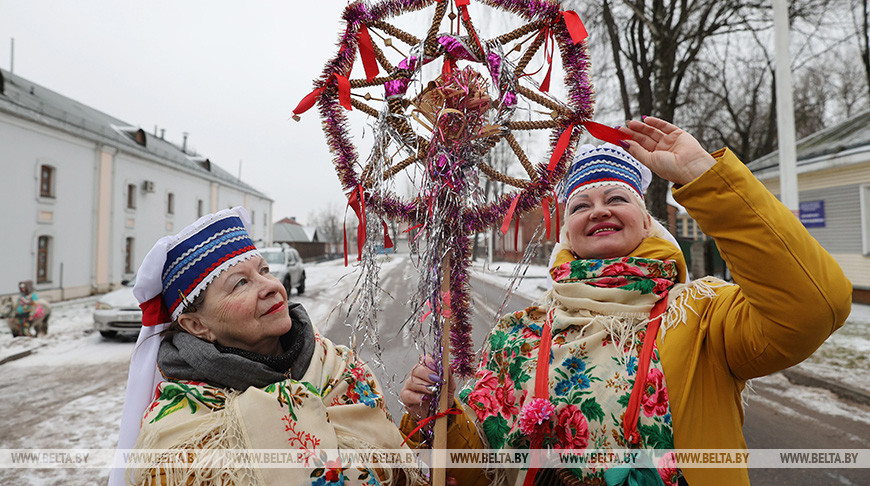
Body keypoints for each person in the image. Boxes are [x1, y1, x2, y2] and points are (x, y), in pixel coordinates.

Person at [399, 117, 852, 485]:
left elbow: (815, 306)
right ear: (567, 231)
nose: (598, 210)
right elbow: (477, 473)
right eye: (580, 205)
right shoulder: (519, 333)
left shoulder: (701, 313)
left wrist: (704, 179)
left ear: (646, 221)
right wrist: (435, 416)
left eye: (616, 197)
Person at [109, 207, 419, 486]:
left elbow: (400, 469)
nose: (270, 287)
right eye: (240, 283)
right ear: (197, 325)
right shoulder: (179, 429)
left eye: (265, 271)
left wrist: (421, 421)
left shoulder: (340, 368)